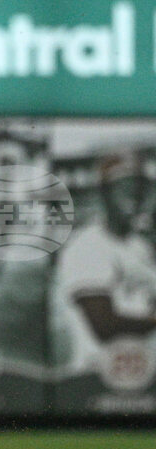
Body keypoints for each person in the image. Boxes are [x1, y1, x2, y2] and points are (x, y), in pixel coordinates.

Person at [50, 151, 156, 375]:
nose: (135, 197)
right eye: (125, 188)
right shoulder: (88, 245)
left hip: (139, 372)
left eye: (140, 188)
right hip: (96, 375)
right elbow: (104, 325)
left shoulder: (138, 245)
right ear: (104, 194)